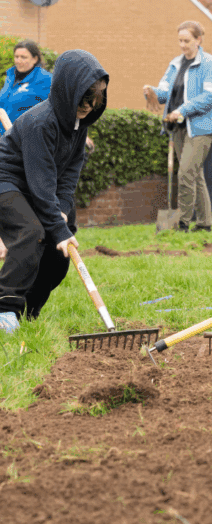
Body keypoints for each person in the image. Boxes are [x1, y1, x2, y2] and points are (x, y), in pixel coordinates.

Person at [0, 50, 108, 334]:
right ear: (67, 90)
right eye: (84, 101)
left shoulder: (79, 125)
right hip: (7, 181)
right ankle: (5, 308)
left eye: (95, 102)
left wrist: (60, 208)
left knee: (61, 251)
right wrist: (55, 223)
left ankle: (28, 311)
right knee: (31, 232)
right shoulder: (40, 122)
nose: (88, 108)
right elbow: (39, 181)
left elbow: (69, 173)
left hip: (39, 185)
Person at [143, 21, 212, 233]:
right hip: (178, 126)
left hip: (202, 126)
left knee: (186, 172)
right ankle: (205, 224)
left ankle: (183, 224)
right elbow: (164, 92)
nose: (183, 45)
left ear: (199, 40)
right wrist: (151, 91)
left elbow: (211, 96)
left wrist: (183, 110)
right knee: (195, 175)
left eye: (187, 40)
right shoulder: (175, 64)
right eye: (180, 40)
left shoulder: (208, 63)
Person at [0, 39, 52, 135]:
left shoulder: (45, 79)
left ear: (35, 59)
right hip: (4, 138)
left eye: (23, 57)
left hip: (25, 139)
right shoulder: (10, 76)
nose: (19, 61)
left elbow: (57, 107)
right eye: (16, 57)